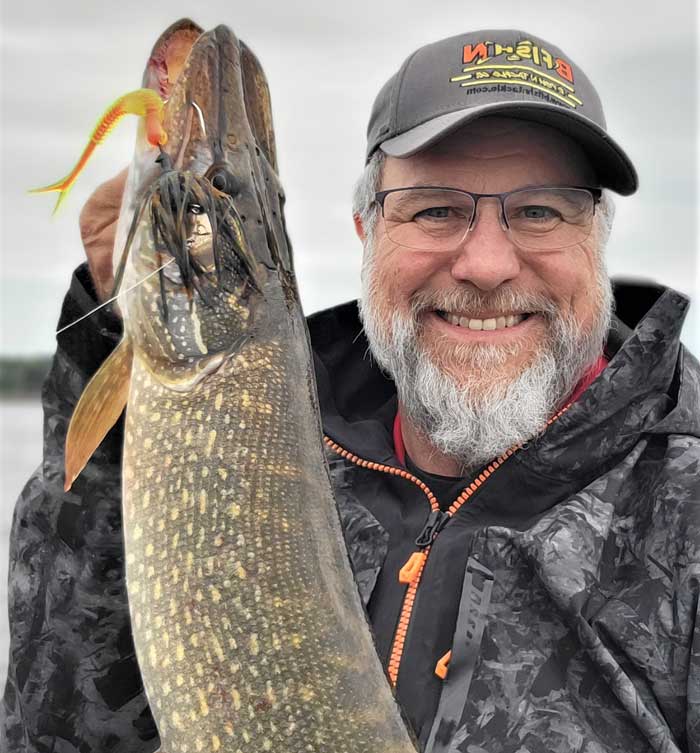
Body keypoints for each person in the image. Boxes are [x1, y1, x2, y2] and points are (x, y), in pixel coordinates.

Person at [2, 28, 699, 753]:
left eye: (541, 210)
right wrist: (118, 338)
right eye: (434, 207)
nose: (488, 263)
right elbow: (63, 726)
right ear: (366, 232)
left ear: (599, 239)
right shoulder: (259, 458)